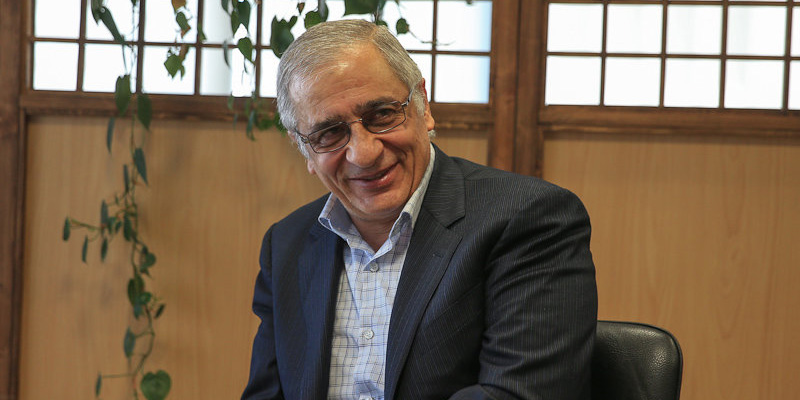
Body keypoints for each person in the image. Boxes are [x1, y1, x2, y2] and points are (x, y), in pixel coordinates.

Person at [242, 19, 597, 400]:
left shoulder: (529, 219)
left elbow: (517, 394)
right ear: (305, 150)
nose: (363, 154)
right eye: (329, 133)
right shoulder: (287, 245)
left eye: (381, 114)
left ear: (423, 106)